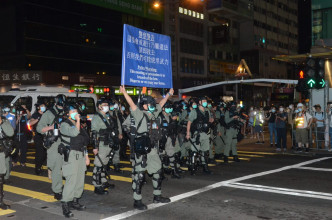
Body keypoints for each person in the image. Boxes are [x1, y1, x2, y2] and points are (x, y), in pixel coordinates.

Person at [120, 85, 172, 210]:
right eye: (150, 104)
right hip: (141, 150)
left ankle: (157, 196)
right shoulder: (138, 114)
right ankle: (137, 201)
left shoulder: (154, 113)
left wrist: (169, 93)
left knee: (158, 171)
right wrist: (124, 92)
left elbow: (162, 103)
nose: (153, 105)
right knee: (140, 175)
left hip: (153, 149)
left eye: (153, 103)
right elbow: (131, 104)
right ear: (144, 105)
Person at [59, 103, 90, 218]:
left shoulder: (79, 125)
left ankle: (75, 201)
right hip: (71, 154)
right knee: (71, 180)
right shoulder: (64, 124)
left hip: (81, 154)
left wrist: (86, 157)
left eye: (76, 111)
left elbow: (84, 141)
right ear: (67, 114)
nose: (76, 113)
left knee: (79, 180)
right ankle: (65, 204)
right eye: (73, 112)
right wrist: (77, 121)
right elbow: (74, 133)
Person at [37, 94, 66, 200]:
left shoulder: (67, 112)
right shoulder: (49, 113)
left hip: (67, 142)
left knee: (68, 167)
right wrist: (51, 127)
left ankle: (67, 188)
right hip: (54, 143)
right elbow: (39, 128)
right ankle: (57, 190)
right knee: (56, 168)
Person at [91, 98, 117, 195]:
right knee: (98, 165)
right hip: (101, 144)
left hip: (107, 143)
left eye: (107, 104)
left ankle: (103, 182)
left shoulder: (107, 116)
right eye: (104, 104)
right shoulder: (97, 117)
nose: (106, 106)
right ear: (99, 106)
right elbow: (94, 133)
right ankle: (97, 186)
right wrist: (95, 147)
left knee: (104, 164)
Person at [186, 97, 213, 175]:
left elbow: (208, 120)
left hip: (206, 133)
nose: (205, 102)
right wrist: (188, 133)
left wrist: (210, 121)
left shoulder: (207, 111)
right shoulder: (195, 111)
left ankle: (205, 167)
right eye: (203, 101)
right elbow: (189, 122)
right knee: (194, 151)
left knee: (205, 151)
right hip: (197, 134)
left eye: (205, 101)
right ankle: (193, 168)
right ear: (199, 102)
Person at [158, 101, 182, 179]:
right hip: (161, 139)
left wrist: (173, 138)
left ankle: (174, 171)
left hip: (169, 138)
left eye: (170, 108)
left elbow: (174, 129)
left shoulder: (170, 116)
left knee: (172, 155)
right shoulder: (159, 117)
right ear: (163, 108)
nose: (169, 109)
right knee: (161, 156)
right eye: (168, 108)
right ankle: (160, 173)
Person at [0, 113, 14, 209]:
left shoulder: (4, 121)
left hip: (0, 152)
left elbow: (10, 133)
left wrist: (2, 122)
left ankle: (0, 201)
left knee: (0, 177)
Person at [29, 102, 47, 175]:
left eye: (44, 106)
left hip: (46, 135)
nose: (43, 107)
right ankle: (38, 168)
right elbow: (30, 123)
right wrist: (38, 119)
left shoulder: (47, 114)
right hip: (38, 135)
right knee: (39, 152)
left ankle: (40, 165)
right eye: (42, 106)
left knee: (45, 153)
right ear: (38, 107)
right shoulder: (36, 114)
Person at [107, 99, 123, 172]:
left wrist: (120, 133)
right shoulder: (106, 114)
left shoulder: (114, 113)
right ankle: (107, 165)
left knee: (117, 149)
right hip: (109, 135)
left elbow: (118, 123)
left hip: (115, 134)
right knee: (109, 150)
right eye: (111, 105)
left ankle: (116, 165)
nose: (113, 107)